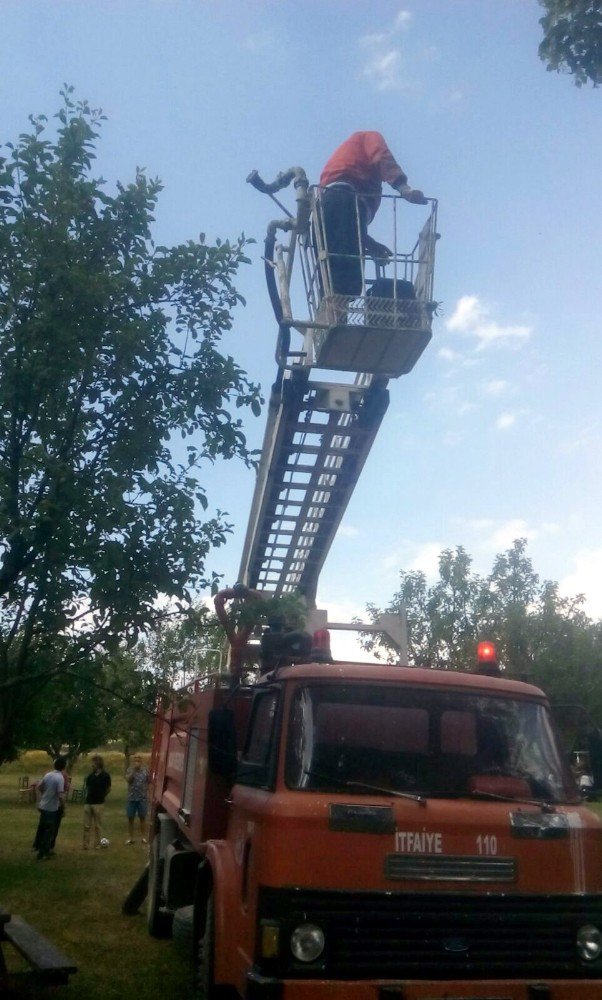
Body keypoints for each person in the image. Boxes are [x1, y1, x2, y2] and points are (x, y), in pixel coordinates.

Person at [318, 131, 427, 295]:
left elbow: (347, 228)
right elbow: (381, 156)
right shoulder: (369, 136)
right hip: (346, 201)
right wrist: (403, 188)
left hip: (325, 209)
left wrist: (371, 244)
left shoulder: (342, 164)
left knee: (331, 281)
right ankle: (337, 311)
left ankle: (334, 313)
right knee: (346, 284)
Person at [33, 756, 67, 860]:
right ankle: (44, 853)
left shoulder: (48, 775)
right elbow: (60, 795)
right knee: (49, 831)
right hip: (52, 808)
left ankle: (39, 849)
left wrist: (43, 797)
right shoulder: (60, 778)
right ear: (63, 767)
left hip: (43, 806)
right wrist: (64, 806)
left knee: (42, 828)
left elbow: (39, 787)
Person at [83, 754, 112, 849]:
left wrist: (102, 795)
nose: (92, 765)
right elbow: (88, 787)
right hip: (88, 803)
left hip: (99, 803)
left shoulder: (105, 776)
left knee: (97, 826)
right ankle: (85, 844)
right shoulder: (90, 776)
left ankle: (97, 844)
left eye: (93, 764)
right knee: (86, 825)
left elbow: (108, 789)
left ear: (98, 764)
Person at [125, 753, 149, 844]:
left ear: (141, 761)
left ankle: (143, 837)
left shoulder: (145, 771)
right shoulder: (130, 770)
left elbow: (148, 782)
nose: (137, 762)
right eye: (135, 760)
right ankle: (130, 837)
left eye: (138, 760)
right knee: (130, 818)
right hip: (132, 798)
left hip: (142, 798)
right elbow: (128, 780)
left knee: (142, 817)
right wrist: (133, 772)